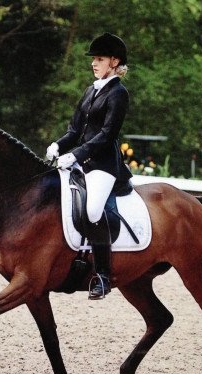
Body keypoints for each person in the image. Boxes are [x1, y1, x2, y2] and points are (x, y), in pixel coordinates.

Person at [45, 32, 131, 300]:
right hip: (81, 161)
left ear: (114, 62)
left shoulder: (119, 94)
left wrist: (76, 155)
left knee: (93, 210)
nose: (94, 63)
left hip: (104, 165)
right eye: (94, 59)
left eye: (100, 59)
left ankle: (103, 275)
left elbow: (106, 135)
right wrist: (59, 145)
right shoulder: (90, 91)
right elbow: (75, 129)